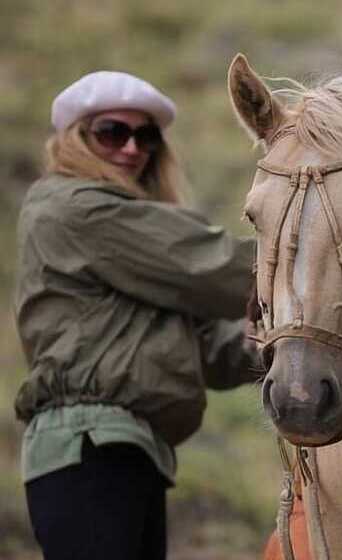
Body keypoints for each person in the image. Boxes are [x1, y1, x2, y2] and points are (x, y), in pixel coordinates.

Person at [14, 70, 261, 560]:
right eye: (112, 132)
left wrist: (285, 341)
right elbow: (210, 265)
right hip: (91, 451)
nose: (132, 148)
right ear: (76, 139)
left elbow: (213, 351)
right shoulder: (76, 208)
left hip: (130, 452)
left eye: (145, 135)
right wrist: (321, 257)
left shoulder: (136, 264)